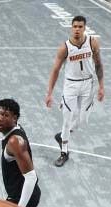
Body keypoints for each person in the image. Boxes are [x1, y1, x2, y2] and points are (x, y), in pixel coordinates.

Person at [45, 15, 105, 167]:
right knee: (67, 119)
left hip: (88, 85)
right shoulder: (65, 47)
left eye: (80, 27)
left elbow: (98, 65)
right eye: (75, 27)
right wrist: (50, 93)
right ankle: (64, 152)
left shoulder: (92, 43)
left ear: (84, 28)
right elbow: (55, 70)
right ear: (71, 28)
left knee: (83, 120)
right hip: (71, 85)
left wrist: (101, 86)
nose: (77, 29)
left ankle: (62, 136)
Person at [0, 99, 41, 207]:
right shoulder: (15, 131)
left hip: (22, 198)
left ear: (14, 118)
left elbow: (31, 177)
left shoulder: (14, 141)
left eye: (5, 115)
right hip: (20, 195)